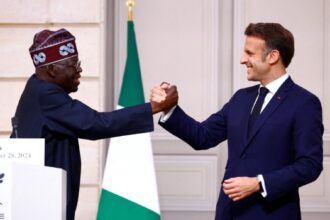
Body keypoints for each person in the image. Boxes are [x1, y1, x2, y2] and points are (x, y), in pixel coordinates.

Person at [151, 23, 323, 219]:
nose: (243, 60)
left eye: (249, 53)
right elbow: (202, 136)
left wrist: (259, 183)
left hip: (274, 213)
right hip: (230, 212)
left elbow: (310, 165)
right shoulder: (241, 98)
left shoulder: (304, 103)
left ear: (273, 56)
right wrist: (169, 108)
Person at [10, 28, 178, 220]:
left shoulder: (36, 87)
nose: (79, 69)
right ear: (52, 69)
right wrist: (153, 108)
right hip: (43, 206)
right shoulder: (47, 95)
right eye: (74, 64)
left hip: (40, 201)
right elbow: (96, 124)